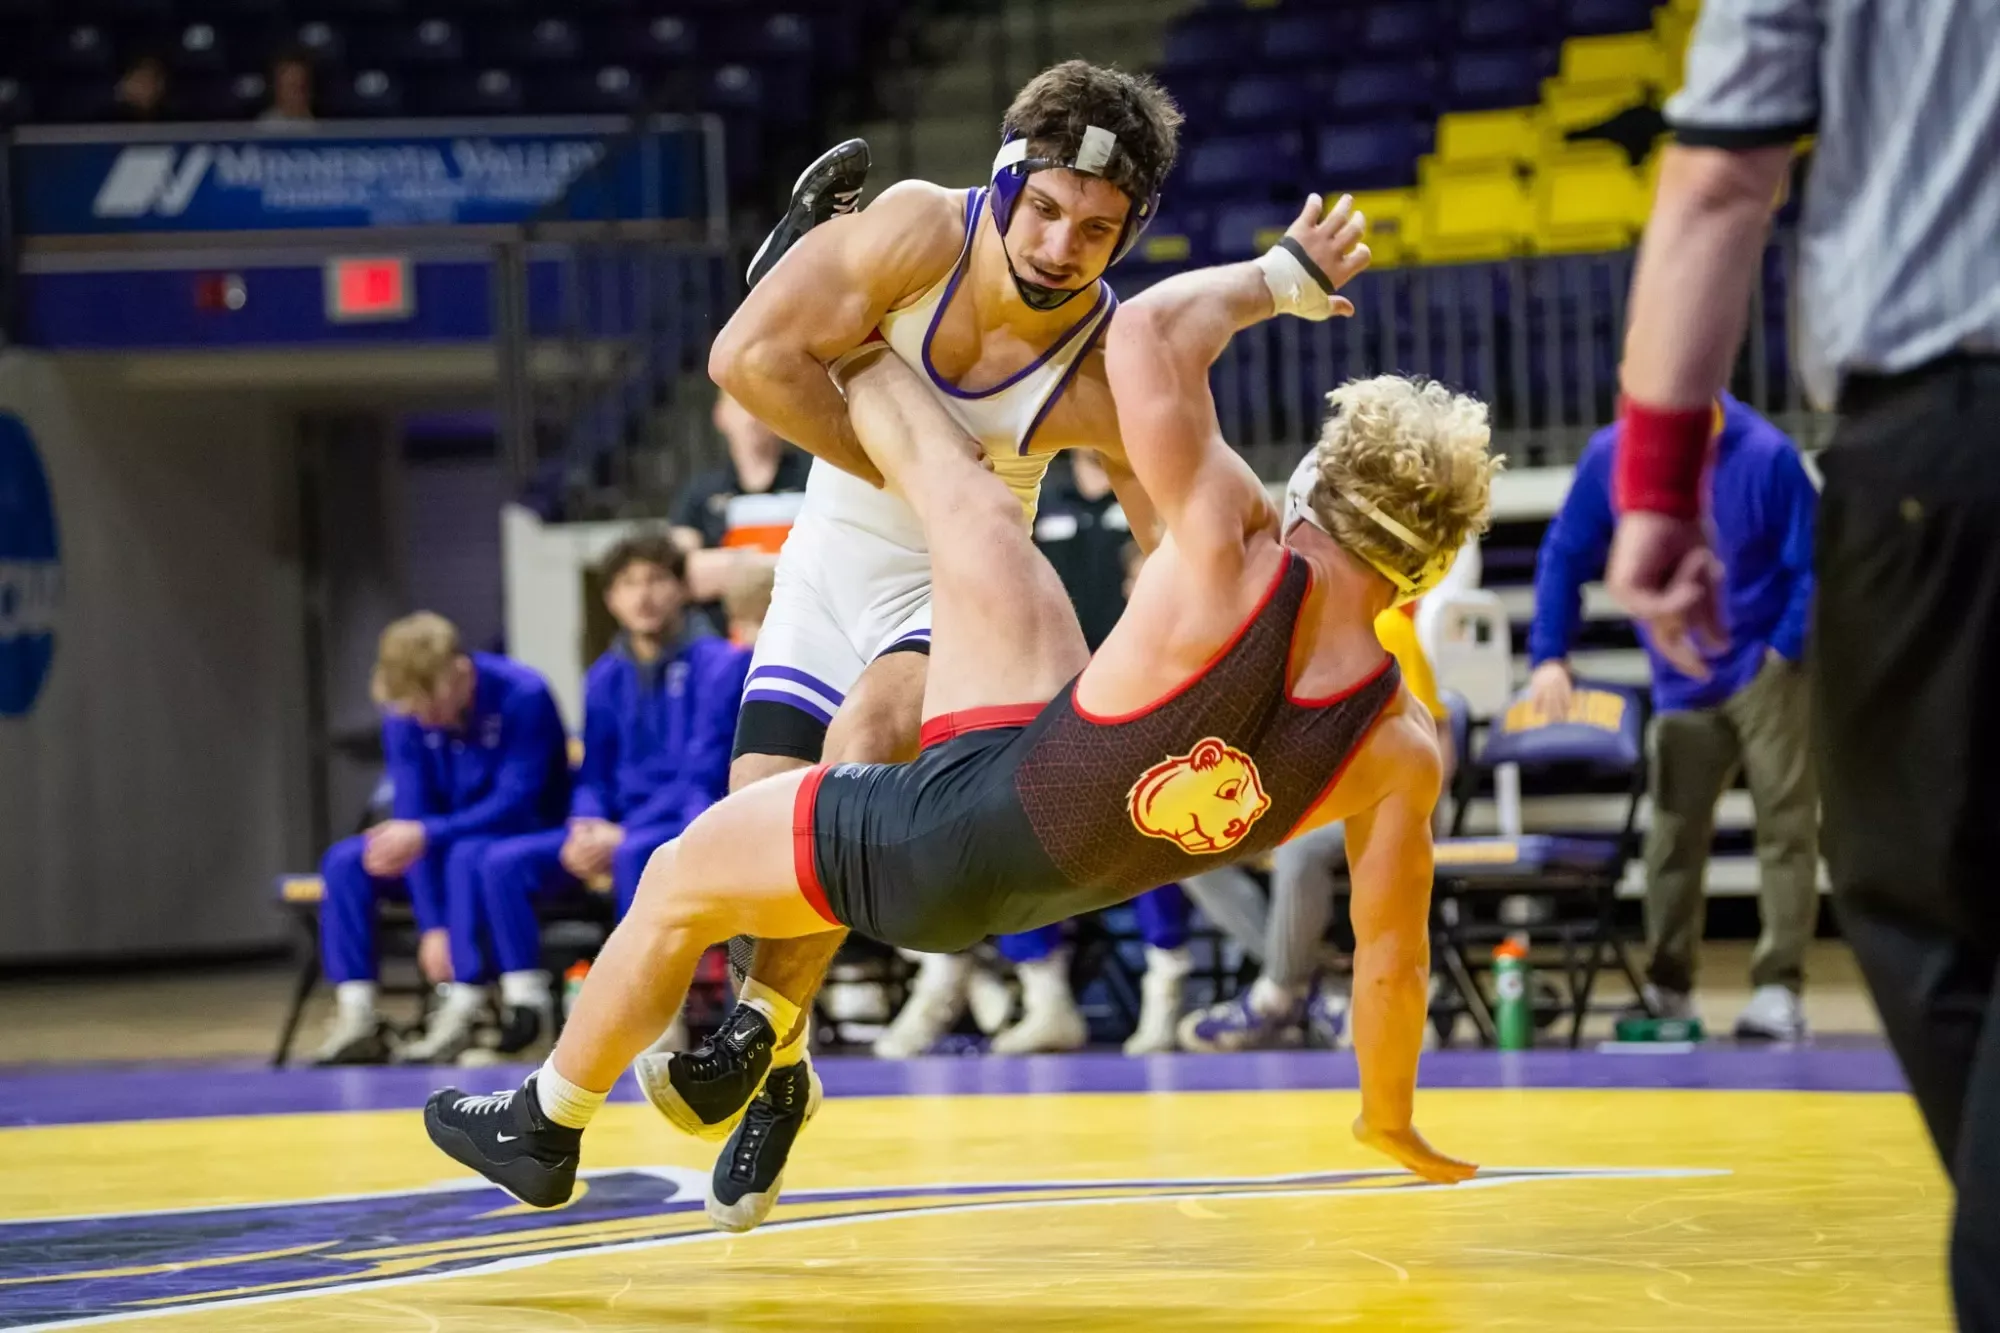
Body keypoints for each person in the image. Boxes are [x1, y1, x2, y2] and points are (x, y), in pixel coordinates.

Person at [424, 191, 1493, 1219]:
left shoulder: (1232, 541)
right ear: (1431, 565)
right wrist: (1387, 1119)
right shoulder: (1401, 746)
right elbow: (1390, 962)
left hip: (954, 834)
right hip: (1056, 860)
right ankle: (769, 1046)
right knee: (983, 520)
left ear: (1316, 476)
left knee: (676, 878)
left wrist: (1277, 278)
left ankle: (546, 1119)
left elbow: (1148, 338)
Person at [675, 60, 1176, 1231]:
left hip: (951, 586)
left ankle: (752, 1032)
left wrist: (1157, 641)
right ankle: (785, 1077)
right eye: (1044, 209)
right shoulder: (915, 229)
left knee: (860, 749)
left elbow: (1165, 529)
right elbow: (742, 364)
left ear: (1130, 232)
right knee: (765, 834)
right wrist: (930, 469)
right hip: (823, 566)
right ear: (1003, 181)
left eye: (1097, 229)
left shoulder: (1108, 356)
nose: (1061, 245)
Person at [1598, 2, 2000, 1319]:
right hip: (1899, 499)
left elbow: (1720, 178)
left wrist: (1655, 494)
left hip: (1948, 442)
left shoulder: (1761, 456)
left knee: (1917, 900)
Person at [876, 452, 1192, 1059]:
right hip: (1040, 697)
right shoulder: (1025, 492)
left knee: (1152, 822)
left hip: (1142, 695)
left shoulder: (1153, 485)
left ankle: (1164, 988)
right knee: (1000, 825)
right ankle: (1041, 993)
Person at [1530, 395, 1816, 1040]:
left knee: (1786, 825)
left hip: (1766, 667)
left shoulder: (1768, 453)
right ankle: (1669, 987)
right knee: (1672, 836)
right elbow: (1564, 553)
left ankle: (1779, 989)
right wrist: (1549, 654)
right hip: (1680, 677)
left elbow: (1814, 564)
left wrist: (1785, 649)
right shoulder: (1614, 453)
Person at [475, 535, 747, 1062]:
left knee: (634, 855)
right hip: (618, 829)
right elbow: (593, 773)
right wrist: (585, 823)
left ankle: (653, 1016)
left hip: (689, 823)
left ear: (683, 590)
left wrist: (618, 835)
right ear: (610, 600)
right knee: (500, 863)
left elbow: (704, 776)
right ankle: (525, 1008)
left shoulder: (723, 665)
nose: (642, 596)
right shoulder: (602, 677)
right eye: (627, 584)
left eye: (655, 580)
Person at [1176, 582, 1460, 1052]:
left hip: (1397, 802)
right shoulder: (1276, 648)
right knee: (1192, 849)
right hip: (1318, 804)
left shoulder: (1386, 629)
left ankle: (1277, 995)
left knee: (1300, 849)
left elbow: (1438, 734)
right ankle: (1311, 992)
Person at [311, 614, 570, 1065]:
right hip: (444, 843)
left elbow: (516, 801)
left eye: (429, 707)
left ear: (460, 672)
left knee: (467, 854)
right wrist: (433, 927)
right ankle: (357, 1015)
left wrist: (426, 834)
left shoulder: (523, 695)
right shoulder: (407, 716)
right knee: (346, 862)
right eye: (412, 711)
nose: (423, 720)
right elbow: (413, 815)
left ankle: (467, 1006)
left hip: (521, 835)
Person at [668, 391, 811, 635]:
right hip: (728, 645)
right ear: (720, 415)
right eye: (740, 405)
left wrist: (730, 567)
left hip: (809, 630)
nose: (751, 417)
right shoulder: (700, 493)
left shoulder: (814, 476)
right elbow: (682, 575)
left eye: (760, 404)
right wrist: (784, 566)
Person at [258, 49, 315, 125]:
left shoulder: (323, 126)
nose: (296, 95)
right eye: (291, 87)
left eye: (301, 88)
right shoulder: (263, 127)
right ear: (277, 88)